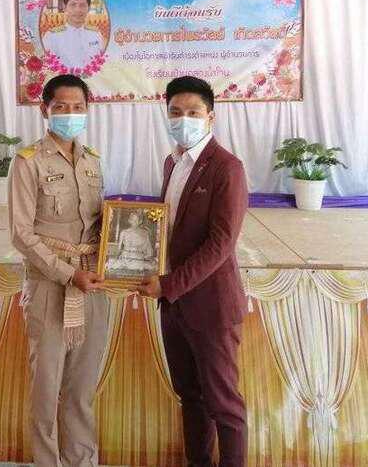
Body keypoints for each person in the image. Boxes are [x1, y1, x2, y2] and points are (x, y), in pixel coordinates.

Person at [137, 76, 249, 467]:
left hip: (211, 306)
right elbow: (165, 228)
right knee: (190, 397)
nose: (183, 119)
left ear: (210, 117)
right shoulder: (172, 163)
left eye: (193, 112)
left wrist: (169, 284)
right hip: (174, 305)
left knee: (224, 404)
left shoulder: (227, 168)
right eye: (175, 112)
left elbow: (221, 244)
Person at [7, 74, 107, 467]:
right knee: (46, 389)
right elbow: (21, 234)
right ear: (44, 110)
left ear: (88, 110)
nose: (70, 114)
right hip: (50, 287)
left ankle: (82, 461)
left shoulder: (92, 160)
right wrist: (67, 274)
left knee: (82, 389)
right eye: (61, 107)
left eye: (78, 107)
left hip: (92, 284)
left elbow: (100, 226)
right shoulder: (28, 161)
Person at [42, 0, 104, 70]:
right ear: (64, 7)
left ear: (88, 8)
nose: (78, 10)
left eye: (82, 5)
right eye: (73, 5)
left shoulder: (96, 34)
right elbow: (47, 67)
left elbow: (102, 63)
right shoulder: (51, 36)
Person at [106, 211, 156, 275]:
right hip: (125, 258)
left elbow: (149, 251)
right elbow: (118, 250)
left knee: (153, 266)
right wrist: (118, 257)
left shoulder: (144, 233)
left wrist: (144, 257)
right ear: (129, 220)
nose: (133, 222)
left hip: (138, 259)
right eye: (132, 220)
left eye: (136, 220)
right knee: (110, 264)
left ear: (140, 222)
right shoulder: (123, 232)